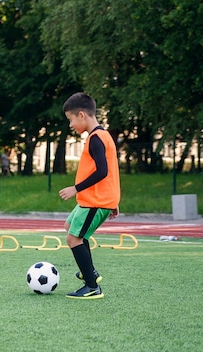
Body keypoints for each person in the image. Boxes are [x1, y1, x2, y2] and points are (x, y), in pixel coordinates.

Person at [58, 93, 120, 300]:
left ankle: (92, 286)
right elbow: (110, 170)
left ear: (82, 115)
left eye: (71, 119)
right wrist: (114, 200)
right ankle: (90, 272)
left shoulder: (96, 139)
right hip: (95, 199)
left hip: (96, 200)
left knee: (73, 238)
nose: (71, 124)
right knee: (70, 228)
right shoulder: (103, 135)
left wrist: (76, 188)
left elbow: (103, 171)